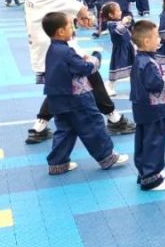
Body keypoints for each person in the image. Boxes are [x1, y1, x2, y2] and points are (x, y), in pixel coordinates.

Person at [23, 0, 134, 144]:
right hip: (56, 46)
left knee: (58, 87)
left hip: (48, 44)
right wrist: (85, 16)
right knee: (90, 75)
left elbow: (61, 9)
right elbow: (78, 7)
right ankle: (114, 119)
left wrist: (78, 17)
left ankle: (38, 127)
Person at [41, 12, 129, 175]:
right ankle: (107, 157)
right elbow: (84, 68)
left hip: (58, 99)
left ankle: (57, 163)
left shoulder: (53, 50)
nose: (72, 28)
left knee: (65, 130)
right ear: (60, 31)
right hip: (76, 98)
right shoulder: (66, 52)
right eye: (69, 26)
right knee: (93, 125)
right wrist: (95, 58)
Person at [129, 20, 165, 191]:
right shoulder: (147, 62)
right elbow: (155, 84)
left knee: (143, 140)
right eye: (156, 37)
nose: (159, 40)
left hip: (142, 107)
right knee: (154, 141)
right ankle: (151, 177)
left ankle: (145, 172)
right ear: (147, 41)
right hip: (152, 108)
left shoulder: (141, 59)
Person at [101, 2, 134, 96]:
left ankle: (136, 85)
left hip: (128, 46)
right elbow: (119, 31)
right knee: (116, 68)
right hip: (120, 49)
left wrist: (128, 21)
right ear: (111, 15)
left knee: (134, 67)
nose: (120, 12)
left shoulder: (117, 22)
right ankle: (109, 85)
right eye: (118, 10)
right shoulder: (111, 24)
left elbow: (126, 28)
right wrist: (124, 22)